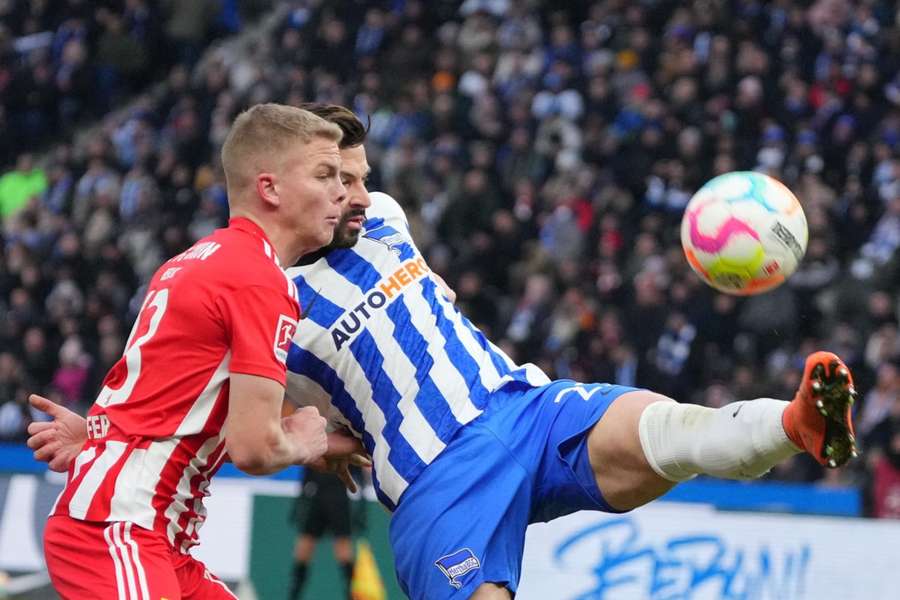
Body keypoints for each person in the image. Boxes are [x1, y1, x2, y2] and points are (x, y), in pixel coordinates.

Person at [30, 104, 861, 600]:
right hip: (435, 474)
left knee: (672, 432)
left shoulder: (385, 216)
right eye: (334, 179)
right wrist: (113, 440)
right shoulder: (275, 287)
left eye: (356, 176)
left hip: (521, 405)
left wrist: (110, 440)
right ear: (288, 186)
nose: (353, 194)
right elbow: (229, 395)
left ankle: (793, 426)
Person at [27, 103, 360, 600]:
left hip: (154, 538)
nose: (343, 192)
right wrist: (302, 440)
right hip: (121, 530)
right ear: (269, 188)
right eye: (325, 174)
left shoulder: (200, 258)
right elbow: (254, 447)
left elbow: (169, 398)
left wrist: (101, 439)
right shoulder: (257, 280)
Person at [288, 466, 365, 600]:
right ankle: (294, 595)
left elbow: (359, 476)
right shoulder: (315, 446)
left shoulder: (348, 446)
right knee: (304, 549)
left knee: (343, 550)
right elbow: (307, 471)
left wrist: (361, 507)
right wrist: (299, 502)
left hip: (338, 499)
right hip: (317, 498)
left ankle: (352, 595)